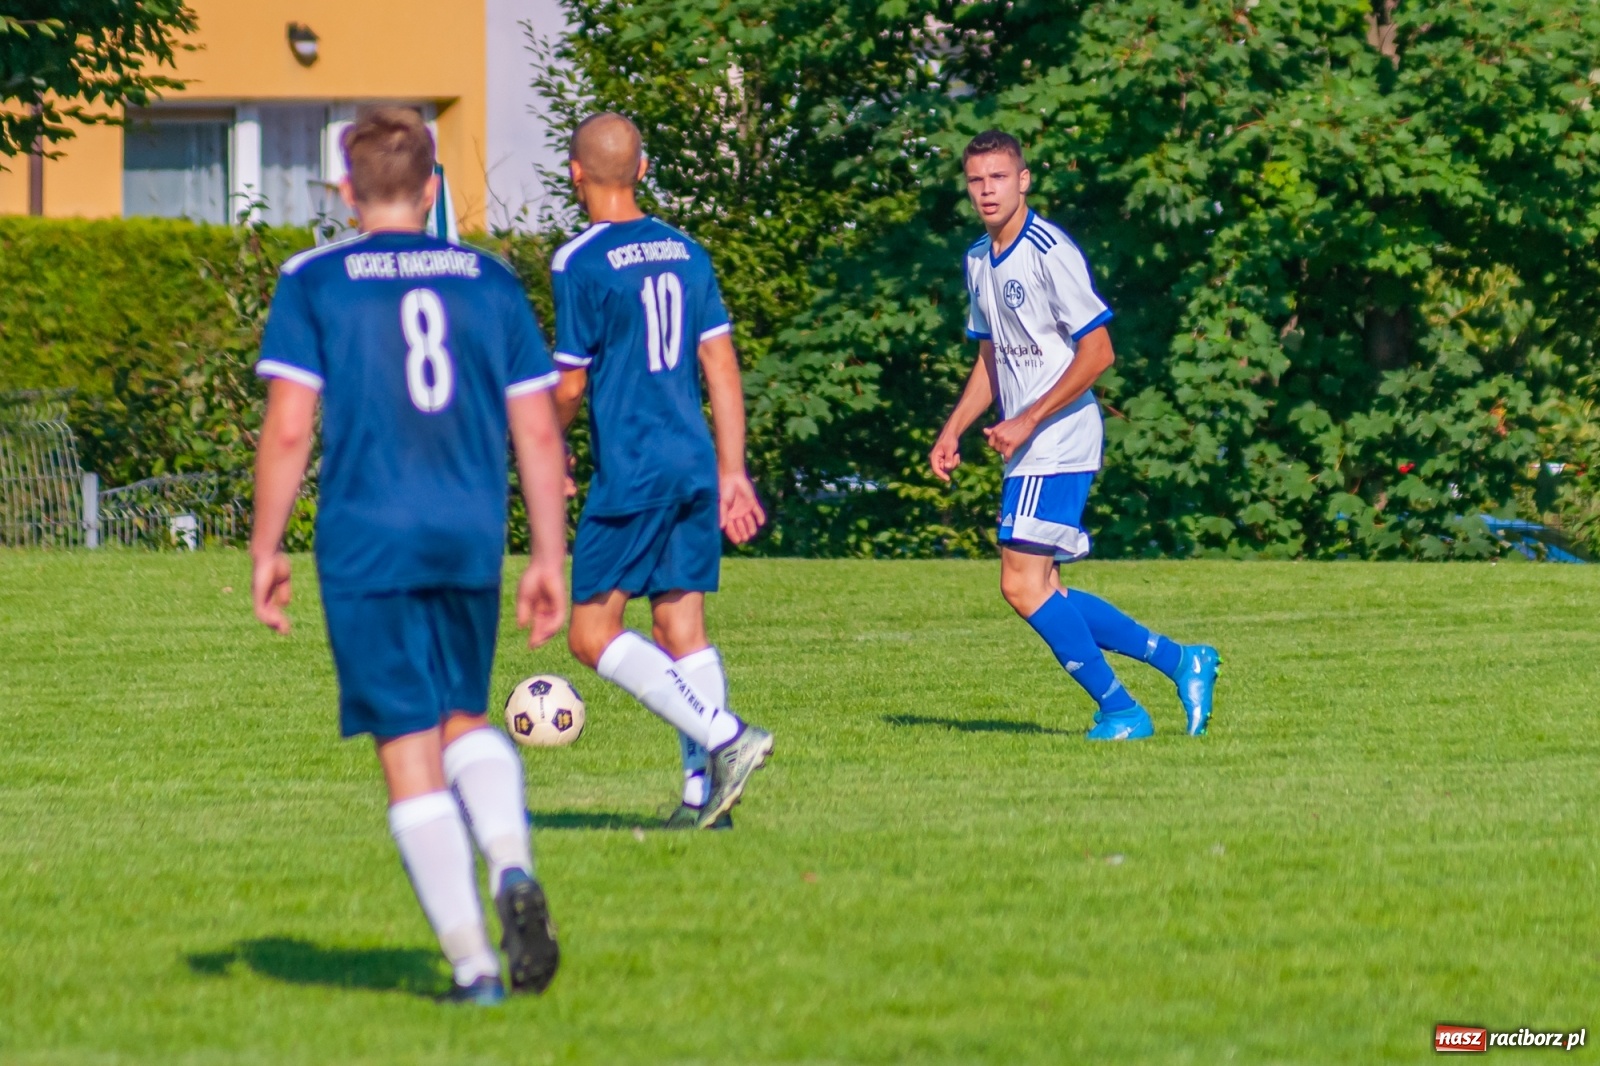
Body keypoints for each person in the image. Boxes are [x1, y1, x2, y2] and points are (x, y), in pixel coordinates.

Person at [250, 107, 567, 1004]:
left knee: (406, 744)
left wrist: (266, 547)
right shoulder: (490, 281)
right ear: (431, 190)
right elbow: (537, 432)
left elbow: (287, 431)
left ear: (347, 194)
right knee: (465, 713)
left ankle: (472, 966)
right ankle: (510, 864)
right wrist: (547, 554)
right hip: (466, 530)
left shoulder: (313, 280)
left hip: (366, 537)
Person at [929, 129, 1221, 740]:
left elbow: (1099, 352)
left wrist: (1028, 417)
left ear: (1024, 179)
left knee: (1020, 584)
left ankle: (1122, 710)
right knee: (1044, 587)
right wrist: (953, 427)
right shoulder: (979, 258)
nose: (987, 191)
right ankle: (1181, 660)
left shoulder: (1047, 250)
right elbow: (992, 358)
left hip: (1058, 437)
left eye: (999, 178)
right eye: (977, 180)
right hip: (1030, 441)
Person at [550, 112, 772, 830]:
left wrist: (545, 446)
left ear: (576, 174)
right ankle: (705, 798)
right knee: (682, 627)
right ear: (642, 169)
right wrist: (732, 470)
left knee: (590, 633)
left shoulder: (577, 261)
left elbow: (571, 385)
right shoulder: (688, 251)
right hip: (693, 461)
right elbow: (721, 367)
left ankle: (728, 739)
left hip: (635, 469)